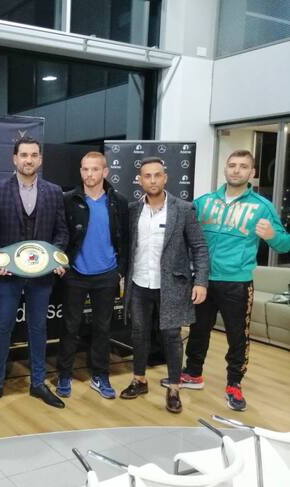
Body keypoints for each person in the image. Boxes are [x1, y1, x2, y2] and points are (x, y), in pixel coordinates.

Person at [165, 149, 290, 411]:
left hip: (237, 282)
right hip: (203, 280)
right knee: (198, 330)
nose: (236, 170)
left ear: (252, 173)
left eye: (243, 166)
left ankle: (234, 383)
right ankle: (193, 373)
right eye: (232, 165)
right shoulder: (204, 202)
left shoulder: (262, 207)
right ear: (225, 169)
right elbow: (185, 236)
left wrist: (272, 236)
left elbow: (285, 244)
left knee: (237, 335)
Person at [0, 136, 69, 411]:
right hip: (8, 276)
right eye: (24, 155)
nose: (28, 160)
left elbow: (61, 232)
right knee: (3, 328)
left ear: (40, 159)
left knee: (38, 328)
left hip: (41, 277)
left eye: (33, 155)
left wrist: (56, 257)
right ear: (15, 158)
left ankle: (38, 383)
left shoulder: (54, 191)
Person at [119, 157, 208, 413]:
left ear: (165, 178)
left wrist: (201, 281)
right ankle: (139, 380)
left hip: (172, 285)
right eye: (147, 176)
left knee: (171, 336)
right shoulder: (133, 210)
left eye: (157, 175)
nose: (153, 180)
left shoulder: (184, 209)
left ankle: (174, 388)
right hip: (139, 283)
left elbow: (199, 247)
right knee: (139, 334)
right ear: (140, 180)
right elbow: (128, 246)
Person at [55, 151, 128, 400]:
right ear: (80, 171)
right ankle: (64, 374)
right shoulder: (68, 199)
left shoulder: (118, 202)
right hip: (75, 273)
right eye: (85, 169)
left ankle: (100, 375)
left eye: (95, 169)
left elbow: (125, 239)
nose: (89, 174)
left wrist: (119, 271)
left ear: (105, 172)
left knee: (102, 328)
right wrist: (63, 264)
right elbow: (60, 234)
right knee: (70, 327)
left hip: (107, 275)